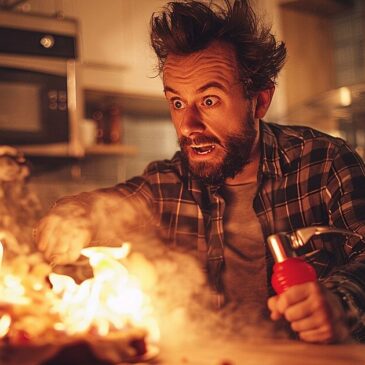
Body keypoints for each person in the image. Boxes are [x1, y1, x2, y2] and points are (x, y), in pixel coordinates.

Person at [35, 0, 365, 344]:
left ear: (260, 101)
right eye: (177, 103)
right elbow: (104, 205)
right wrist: (72, 214)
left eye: (209, 100)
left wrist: (341, 301)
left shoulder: (325, 162)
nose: (189, 125)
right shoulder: (167, 183)